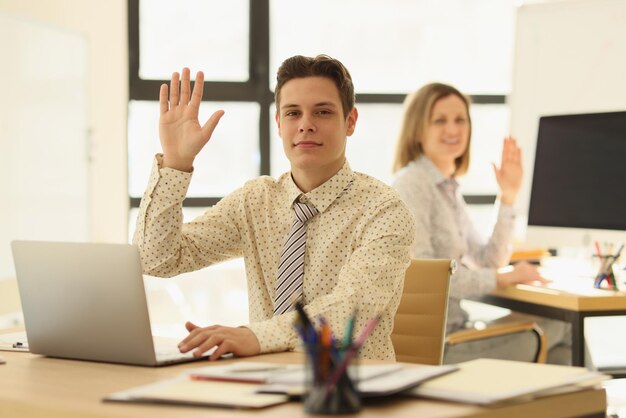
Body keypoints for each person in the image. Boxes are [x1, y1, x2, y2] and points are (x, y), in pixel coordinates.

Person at [133, 55, 415, 361]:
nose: (306, 125)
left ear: (350, 121)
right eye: (293, 113)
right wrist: (176, 163)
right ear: (279, 124)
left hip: (351, 390)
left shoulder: (385, 210)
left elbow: (352, 309)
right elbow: (155, 260)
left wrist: (256, 335)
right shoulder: (255, 200)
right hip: (263, 383)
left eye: (322, 112)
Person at [391, 82, 571, 364]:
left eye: (460, 119)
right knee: (564, 327)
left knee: (561, 346)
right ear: (418, 128)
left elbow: (488, 260)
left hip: (458, 333)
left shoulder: (447, 190)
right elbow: (428, 279)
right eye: (440, 120)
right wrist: (503, 278)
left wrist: (508, 196)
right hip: (440, 349)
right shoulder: (412, 186)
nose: (453, 129)